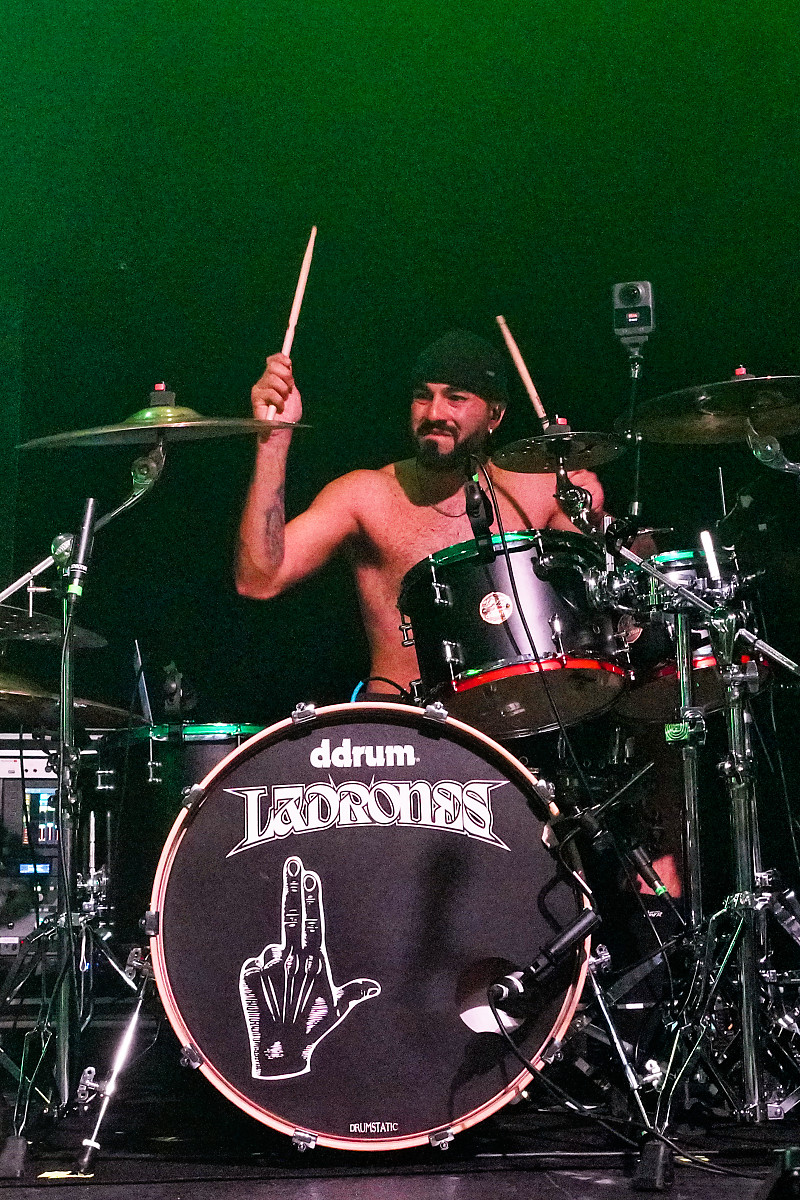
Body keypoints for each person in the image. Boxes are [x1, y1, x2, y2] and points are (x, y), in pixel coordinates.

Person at [236, 330, 610, 699]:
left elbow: (617, 587)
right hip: (400, 720)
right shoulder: (365, 495)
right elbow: (259, 579)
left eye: (455, 398)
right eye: (422, 396)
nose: (434, 413)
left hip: (525, 708)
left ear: (495, 414)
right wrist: (274, 440)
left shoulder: (536, 490)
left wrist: (596, 519)